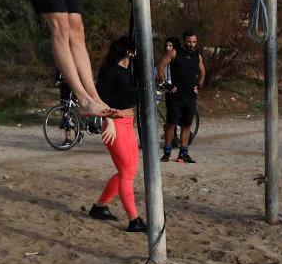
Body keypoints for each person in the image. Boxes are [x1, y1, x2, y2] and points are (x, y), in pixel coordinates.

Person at [87, 36, 146, 232]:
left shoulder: (131, 71)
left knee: (128, 171)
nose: (136, 54)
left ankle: (99, 207)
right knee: (127, 173)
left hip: (128, 124)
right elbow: (100, 100)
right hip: (115, 125)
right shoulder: (110, 71)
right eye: (134, 50)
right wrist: (109, 122)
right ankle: (134, 220)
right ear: (128, 51)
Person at [155, 30, 205, 163]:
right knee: (171, 123)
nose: (192, 44)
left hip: (190, 96)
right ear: (184, 41)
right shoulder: (174, 53)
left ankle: (183, 153)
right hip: (175, 95)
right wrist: (166, 84)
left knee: (187, 124)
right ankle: (167, 152)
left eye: (194, 42)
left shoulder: (197, 56)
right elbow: (160, 66)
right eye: (189, 41)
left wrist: (199, 85)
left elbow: (203, 72)